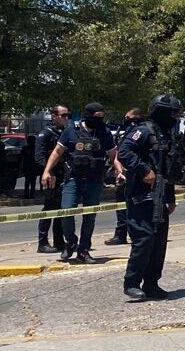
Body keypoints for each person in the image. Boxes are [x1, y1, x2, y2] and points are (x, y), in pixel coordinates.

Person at [118, 94, 184, 301]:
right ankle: (131, 283)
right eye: (173, 113)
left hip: (160, 195)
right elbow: (124, 152)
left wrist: (171, 196)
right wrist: (144, 169)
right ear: (162, 112)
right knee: (144, 239)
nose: (176, 117)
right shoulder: (142, 131)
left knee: (159, 241)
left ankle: (152, 283)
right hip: (141, 194)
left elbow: (168, 168)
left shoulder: (166, 135)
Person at [41, 102, 121, 263]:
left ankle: (83, 250)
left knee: (89, 217)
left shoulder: (104, 132)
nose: (99, 120)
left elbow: (114, 155)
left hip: (94, 180)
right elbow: (57, 151)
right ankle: (71, 242)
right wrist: (47, 170)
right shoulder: (71, 131)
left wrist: (119, 170)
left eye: (101, 117)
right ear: (88, 115)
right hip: (73, 179)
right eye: (96, 117)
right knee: (66, 211)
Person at [106, 107, 143, 246]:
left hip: (136, 174)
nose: (125, 120)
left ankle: (136, 233)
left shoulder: (141, 132)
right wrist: (119, 170)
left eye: (128, 118)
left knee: (135, 205)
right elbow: (118, 154)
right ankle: (121, 234)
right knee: (121, 204)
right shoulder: (127, 132)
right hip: (123, 173)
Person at [34, 106, 68, 253]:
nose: (66, 118)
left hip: (63, 174)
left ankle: (59, 241)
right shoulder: (46, 133)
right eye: (64, 115)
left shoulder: (64, 133)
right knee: (49, 208)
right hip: (50, 176)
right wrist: (49, 171)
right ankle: (42, 243)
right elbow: (39, 157)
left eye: (68, 115)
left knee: (61, 209)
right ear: (54, 116)